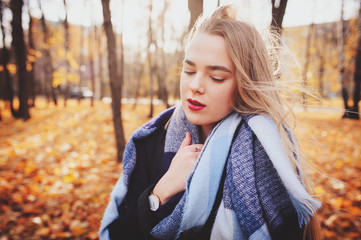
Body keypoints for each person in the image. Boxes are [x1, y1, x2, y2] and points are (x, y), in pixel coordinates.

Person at [99, 5, 321, 240]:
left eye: (216, 77)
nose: (195, 85)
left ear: (245, 83)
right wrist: (161, 191)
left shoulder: (268, 153)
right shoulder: (151, 141)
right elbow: (117, 234)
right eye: (189, 70)